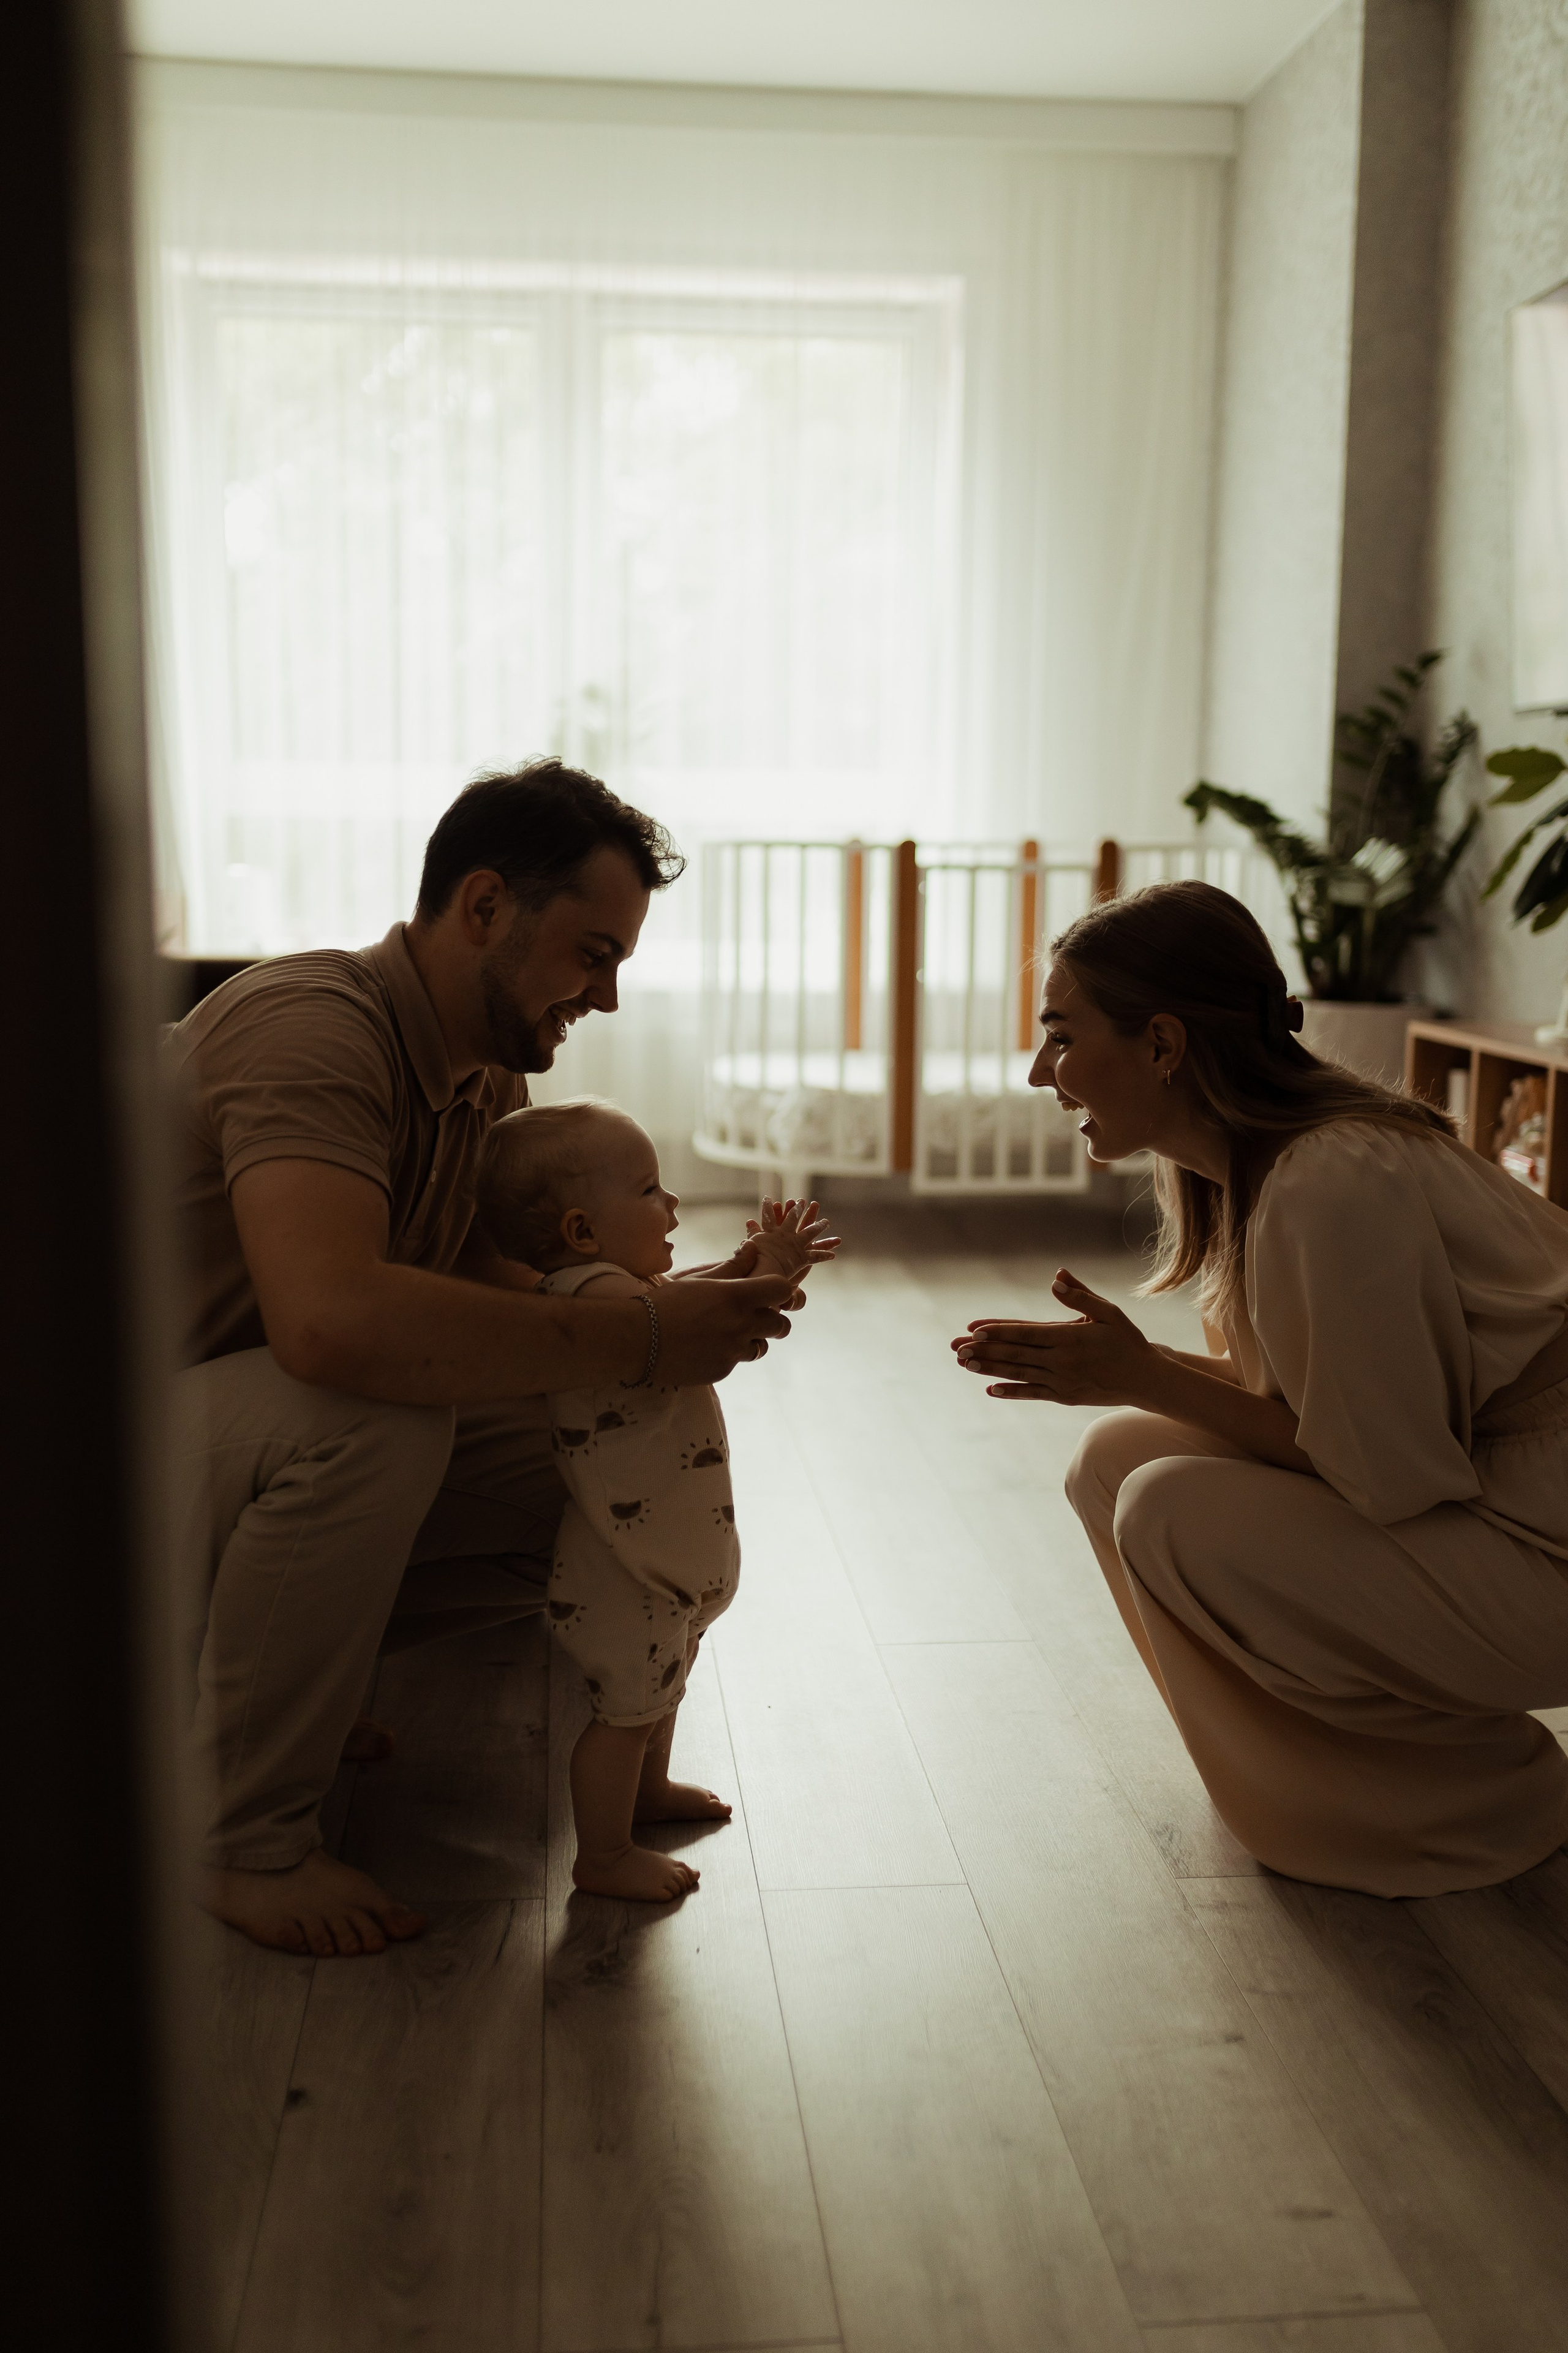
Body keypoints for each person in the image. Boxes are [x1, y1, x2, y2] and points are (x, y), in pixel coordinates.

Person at [170, 759, 796, 1960]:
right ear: (483, 906)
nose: (603, 997)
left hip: (218, 1447)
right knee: (373, 1419)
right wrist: (646, 1333)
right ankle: (240, 1838)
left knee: (588, 1451)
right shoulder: (316, 1026)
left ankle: (271, 1677)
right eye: (591, 953)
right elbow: (330, 1325)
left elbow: (519, 1315)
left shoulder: (480, 1085)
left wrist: (679, 1307)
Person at [954, 880, 1568, 1898]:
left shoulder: (1331, 1179)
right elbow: (1332, 1413)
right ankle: (1333, 1796)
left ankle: (1465, 1807)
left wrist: (1144, 1370)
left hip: (1543, 1537)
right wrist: (1127, 1378)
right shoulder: (1257, 1166)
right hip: (1504, 1502)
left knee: (1163, 1504)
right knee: (1115, 1460)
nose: (1039, 1073)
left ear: (1162, 1044)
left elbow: (1389, 1474)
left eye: (1061, 1037)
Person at [475, 1101, 836, 1901]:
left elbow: (688, 1295)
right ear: (580, 1231)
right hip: (623, 1565)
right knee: (626, 1711)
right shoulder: (590, 1303)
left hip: (659, 1556)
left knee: (661, 1684)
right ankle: (601, 1855)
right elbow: (699, 1312)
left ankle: (647, 1791)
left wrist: (750, 1264)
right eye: (648, 1189)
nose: (671, 1205)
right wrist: (768, 1267)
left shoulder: (619, 1288)